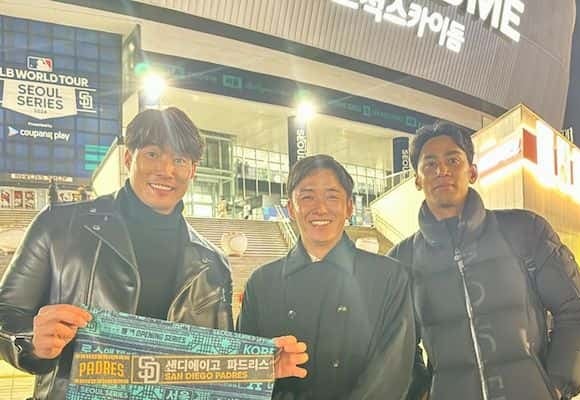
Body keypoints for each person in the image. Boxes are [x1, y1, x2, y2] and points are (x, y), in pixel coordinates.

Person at [0, 107, 306, 400]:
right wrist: (30, 340)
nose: (166, 170)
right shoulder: (59, 225)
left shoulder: (213, 264)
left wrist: (257, 367)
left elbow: (215, 364)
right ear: (128, 158)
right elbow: (6, 315)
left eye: (180, 159)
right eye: (153, 154)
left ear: (193, 170)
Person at [388, 122, 580, 400]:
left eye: (453, 160)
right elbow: (393, 345)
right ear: (417, 180)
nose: (442, 170)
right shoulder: (401, 260)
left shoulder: (524, 231)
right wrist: (420, 392)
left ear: (472, 172)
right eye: (430, 164)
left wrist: (556, 385)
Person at [238, 154, 415, 400]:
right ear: (291, 208)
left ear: (350, 207)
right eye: (307, 197)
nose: (320, 208)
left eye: (332, 197)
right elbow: (245, 371)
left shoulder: (389, 277)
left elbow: (392, 372)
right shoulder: (262, 283)